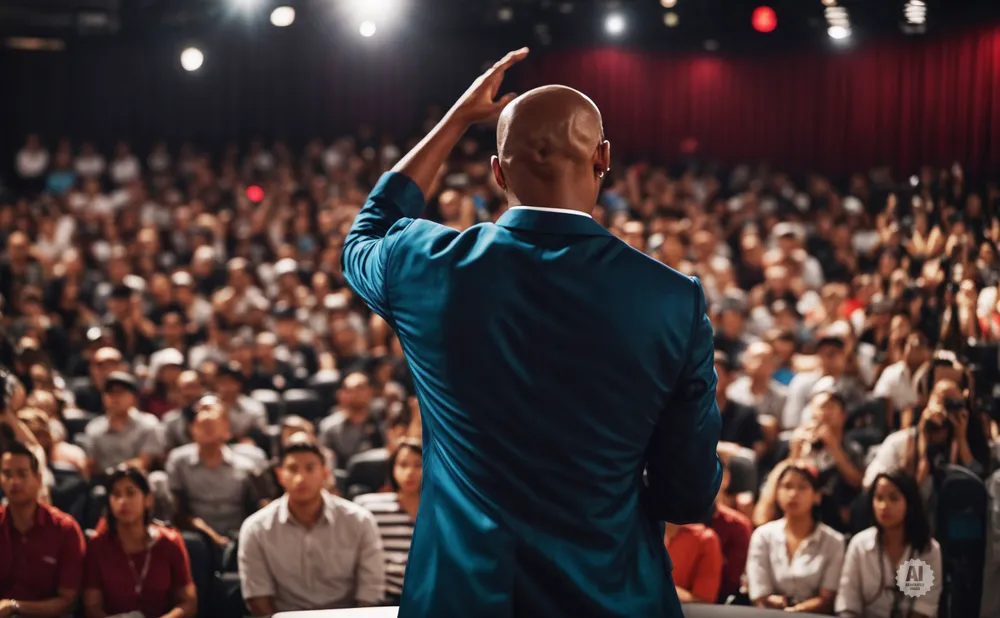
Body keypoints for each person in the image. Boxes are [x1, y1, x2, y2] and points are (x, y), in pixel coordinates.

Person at [341, 49, 721, 617]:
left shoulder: (423, 263)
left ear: (497, 171)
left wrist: (455, 121)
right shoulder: (673, 300)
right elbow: (686, 495)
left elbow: (364, 234)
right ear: (603, 159)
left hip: (464, 598)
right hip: (610, 597)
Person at [237, 436, 385, 614]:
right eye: (292, 469)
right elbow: (258, 598)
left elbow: (370, 591)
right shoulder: (256, 529)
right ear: (279, 475)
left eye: (310, 468)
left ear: (325, 472)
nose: (300, 478)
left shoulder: (359, 521)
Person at [82, 465, 197, 618]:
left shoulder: (170, 542)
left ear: (148, 499)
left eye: (130, 493)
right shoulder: (98, 545)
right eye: (116, 495)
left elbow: (188, 603)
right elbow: (92, 607)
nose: (123, 501)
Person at [836, 471, 942, 618]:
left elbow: (925, 607)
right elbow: (847, 603)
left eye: (894, 498)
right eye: (879, 498)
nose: (884, 506)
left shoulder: (928, 550)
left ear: (909, 502)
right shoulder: (859, 545)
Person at [0, 441, 85, 618]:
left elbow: (67, 602)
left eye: (22, 474)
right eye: (7, 474)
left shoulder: (64, 529)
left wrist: (15, 606)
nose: (14, 482)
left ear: (38, 479)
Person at [746, 461, 845, 613]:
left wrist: (797, 611)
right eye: (787, 486)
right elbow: (759, 593)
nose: (793, 494)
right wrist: (779, 605)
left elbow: (828, 598)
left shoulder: (834, 542)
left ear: (817, 496)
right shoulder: (762, 536)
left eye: (802, 487)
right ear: (777, 493)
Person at [355, 438, 422, 605]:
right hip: (386, 596)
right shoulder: (370, 507)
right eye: (403, 465)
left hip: (428, 595)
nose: (410, 472)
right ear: (392, 469)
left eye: (418, 465)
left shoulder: (440, 511)